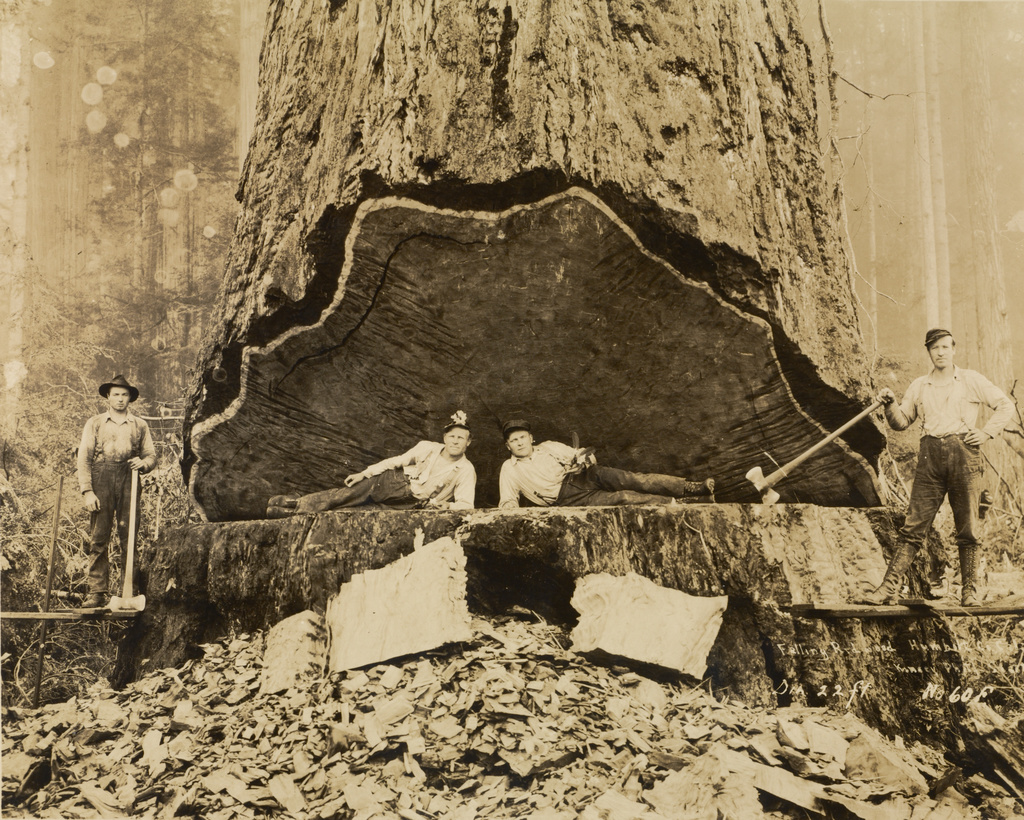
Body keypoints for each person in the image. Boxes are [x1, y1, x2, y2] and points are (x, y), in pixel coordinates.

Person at [856, 329, 1013, 606]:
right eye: (934, 348)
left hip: (964, 456)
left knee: (968, 528)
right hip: (929, 458)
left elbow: (1004, 405)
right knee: (913, 527)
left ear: (953, 349)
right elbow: (901, 422)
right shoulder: (919, 386)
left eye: (944, 347)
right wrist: (891, 404)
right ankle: (887, 589)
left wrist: (987, 433)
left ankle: (970, 592)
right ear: (928, 352)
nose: (940, 352)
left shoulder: (970, 380)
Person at [267, 411, 476, 517]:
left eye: (461, 438)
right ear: (445, 437)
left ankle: (291, 514)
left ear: (468, 443)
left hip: (411, 504)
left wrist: (448, 505)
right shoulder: (427, 447)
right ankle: (295, 504)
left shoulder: (466, 470)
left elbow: (467, 505)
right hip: (392, 481)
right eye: (452, 436)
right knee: (346, 494)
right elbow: (395, 461)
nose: (455, 441)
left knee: (358, 513)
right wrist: (364, 474)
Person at [498, 419, 714, 509]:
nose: (519, 443)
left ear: (531, 438)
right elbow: (508, 500)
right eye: (514, 440)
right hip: (569, 498)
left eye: (522, 437)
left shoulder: (548, 446)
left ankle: (692, 488)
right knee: (624, 498)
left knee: (631, 479)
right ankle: (686, 503)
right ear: (508, 446)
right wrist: (509, 508)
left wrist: (581, 463)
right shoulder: (509, 469)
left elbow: (585, 455)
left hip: (584, 476)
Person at [77, 375, 157, 609]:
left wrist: (143, 464)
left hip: (129, 480)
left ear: (130, 397)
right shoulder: (96, 423)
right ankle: (97, 593)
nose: (120, 399)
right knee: (98, 538)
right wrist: (87, 491)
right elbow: (84, 458)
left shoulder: (139, 425)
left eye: (124, 395)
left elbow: (151, 455)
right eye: (116, 394)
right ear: (108, 397)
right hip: (101, 480)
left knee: (129, 536)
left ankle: (129, 591)